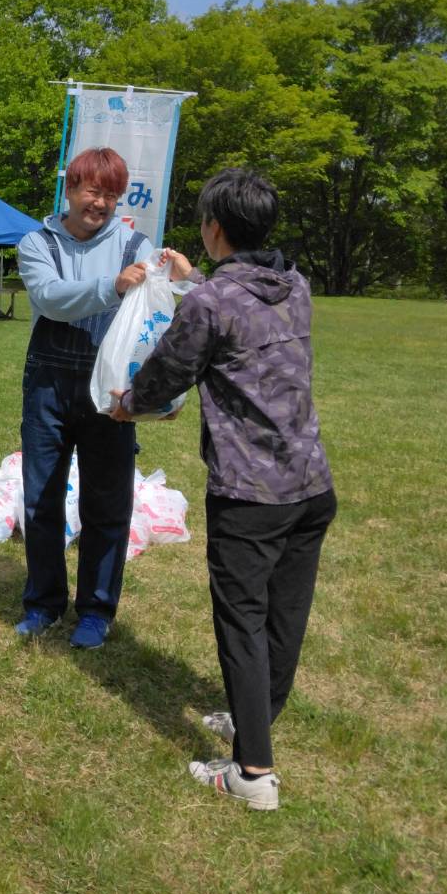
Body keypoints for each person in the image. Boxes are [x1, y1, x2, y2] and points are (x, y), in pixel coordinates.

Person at [110, 168, 335, 812]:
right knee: (285, 615)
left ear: (213, 228)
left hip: (251, 494)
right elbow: (241, 308)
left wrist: (130, 405)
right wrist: (191, 280)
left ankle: (253, 774)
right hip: (311, 484)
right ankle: (256, 716)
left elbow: (169, 370)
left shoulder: (210, 303)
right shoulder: (295, 284)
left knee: (243, 620)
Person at [14, 146, 189, 650]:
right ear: (70, 189)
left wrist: (180, 279)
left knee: (107, 502)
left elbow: (160, 309)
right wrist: (112, 287)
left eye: (112, 195)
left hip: (112, 388)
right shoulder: (36, 242)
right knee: (42, 497)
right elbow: (48, 298)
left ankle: (95, 610)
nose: (102, 204)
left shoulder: (136, 243)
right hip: (48, 383)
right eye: (93, 191)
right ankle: (43, 603)